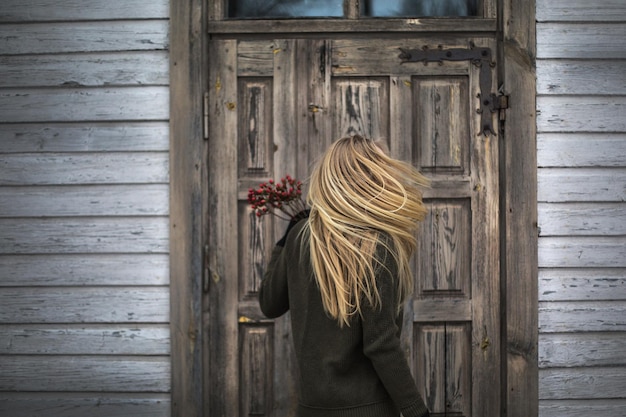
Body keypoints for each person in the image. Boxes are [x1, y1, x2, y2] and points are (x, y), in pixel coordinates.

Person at [259, 135, 431, 417]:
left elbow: (268, 304)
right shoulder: (377, 244)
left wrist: (286, 238)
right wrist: (416, 410)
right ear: (368, 179)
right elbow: (381, 344)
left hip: (310, 410)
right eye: (382, 169)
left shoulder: (301, 237)